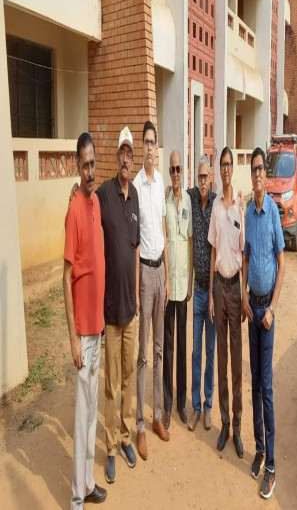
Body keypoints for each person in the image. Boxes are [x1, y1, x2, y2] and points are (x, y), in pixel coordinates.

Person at [63, 132, 107, 509]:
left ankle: (88, 483)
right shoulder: (75, 209)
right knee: (81, 419)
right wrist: (73, 338)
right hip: (84, 334)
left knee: (92, 413)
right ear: (77, 167)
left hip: (99, 328)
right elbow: (66, 278)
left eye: (93, 164)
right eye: (85, 165)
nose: (90, 171)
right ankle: (76, 498)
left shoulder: (95, 203)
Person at [242, 147, 285, 500]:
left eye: (260, 169)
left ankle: (271, 465)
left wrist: (272, 308)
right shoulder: (248, 212)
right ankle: (259, 449)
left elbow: (282, 263)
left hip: (266, 315)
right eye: (254, 169)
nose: (257, 174)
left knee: (267, 388)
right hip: (250, 311)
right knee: (254, 382)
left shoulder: (271, 212)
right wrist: (243, 293)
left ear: (265, 175)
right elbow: (246, 257)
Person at [98, 127, 140, 483]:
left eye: (130, 153)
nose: (126, 159)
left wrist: (138, 294)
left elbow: (136, 249)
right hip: (111, 311)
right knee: (111, 383)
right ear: (116, 158)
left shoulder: (135, 195)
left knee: (128, 377)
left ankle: (126, 437)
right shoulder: (104, 194)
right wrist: (75, 191)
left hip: (131, 309)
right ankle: (110, 447)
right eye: (121, 153)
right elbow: (85, 205)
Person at [133, 120, 170, 460]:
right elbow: (135, 243)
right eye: (144, 142)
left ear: (156, 147)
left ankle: (157, 416)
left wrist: (168, 277)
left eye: (152, 142)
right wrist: (136, 285)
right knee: (144, 353)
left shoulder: (159, 183)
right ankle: (140, 425)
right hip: (144, 273)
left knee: (159, 349)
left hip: (160, 272)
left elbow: (162, 228)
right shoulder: (135, 186)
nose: (148, 148)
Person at [208, 146, 244, 458]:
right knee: (221, 360)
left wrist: (244, 294)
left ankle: (238, 427)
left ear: (233, 168)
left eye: (229, 164)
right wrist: (210, 293)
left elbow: (244, 253)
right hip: (219, 288)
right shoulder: (217, 208)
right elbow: (212, 250)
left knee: (236, 363)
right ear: (219, 170)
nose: (226, 168)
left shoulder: (240, 206)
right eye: (223, 164)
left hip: (235, 290)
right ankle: (223, 424)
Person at [163, 150, 193, 429]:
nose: (175, 173)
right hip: (167, 285)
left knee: (182, 345)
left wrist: (192, 280)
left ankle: (182, 403)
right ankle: (167, 403)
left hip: (183, 284)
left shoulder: (188, 202)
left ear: (183, 171)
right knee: (168, 345)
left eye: (178, 168)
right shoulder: (163, 202)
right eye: (172, 169)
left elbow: (191, 242)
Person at [187, 155, 217, 431]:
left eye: (206, 176)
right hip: (197, 291)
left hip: (213, 294)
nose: (203, 181)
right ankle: (196, 406)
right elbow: (174, 193)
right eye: (199, 177)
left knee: (210, 351)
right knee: (196, 352)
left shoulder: (218, 203)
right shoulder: (193, 198)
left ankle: (208, 407)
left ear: (211, 178)